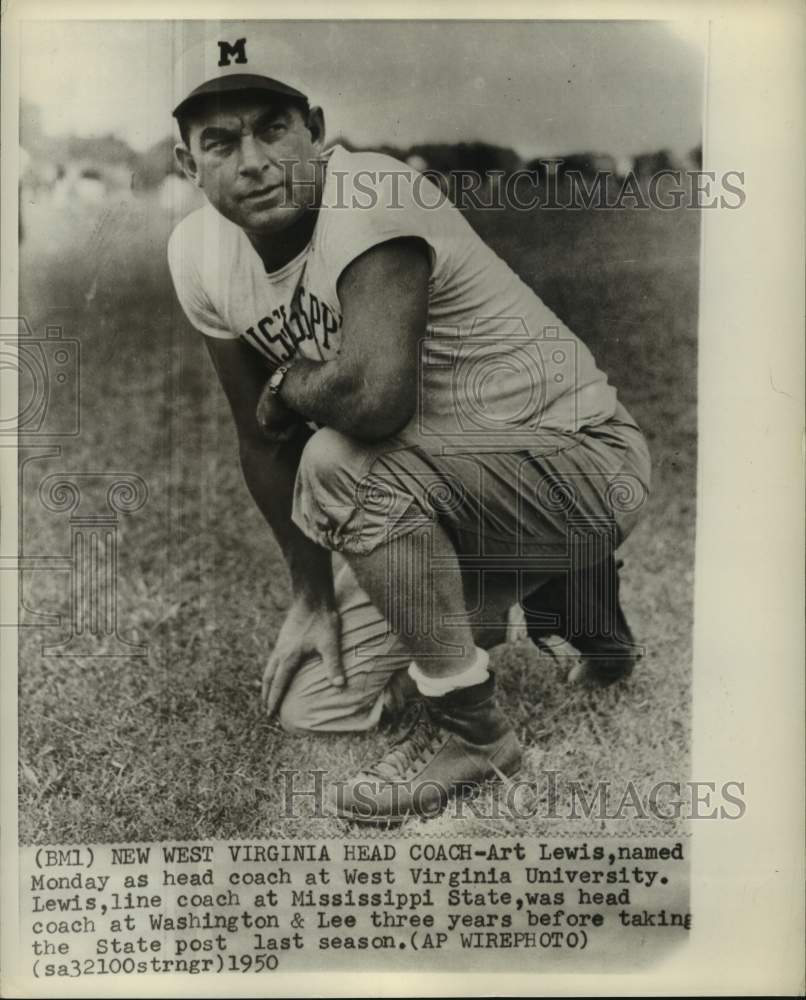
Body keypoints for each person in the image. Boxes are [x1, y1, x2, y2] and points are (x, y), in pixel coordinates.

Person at [167, 34, 651, 823]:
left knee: (339, 460)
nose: (252, 159)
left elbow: (375, 404)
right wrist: (310, 595)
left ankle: (475, 732)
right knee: (319, 705)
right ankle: (567, 590)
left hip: (585, 462)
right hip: (451, 488)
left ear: (314, 129)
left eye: (273, 128)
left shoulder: (368, 190)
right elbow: (257, 440)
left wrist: (290, 388)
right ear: (188, 164)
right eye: (220, 141)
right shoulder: (196, 255)